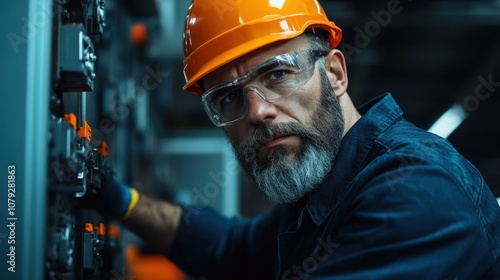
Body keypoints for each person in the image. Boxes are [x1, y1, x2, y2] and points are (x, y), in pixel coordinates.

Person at [94, 0, 500, 279]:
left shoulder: (416, 190)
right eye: (229, 97)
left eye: (277, 74)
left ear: (336, 74)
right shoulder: (322, 194)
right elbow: (230, 248)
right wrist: (119, 199)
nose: (257, 112)